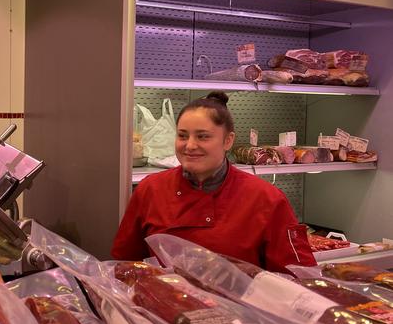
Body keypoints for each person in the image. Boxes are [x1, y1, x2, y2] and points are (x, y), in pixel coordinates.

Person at [111, 91, 316, 273]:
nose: (190, 145)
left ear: (228, 140)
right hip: (167, 310)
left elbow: (297, 276)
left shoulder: (267, 199)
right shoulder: (151, 189)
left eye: (203, 137)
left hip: (242, 314)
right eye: (182, 136)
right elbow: (126, 263)